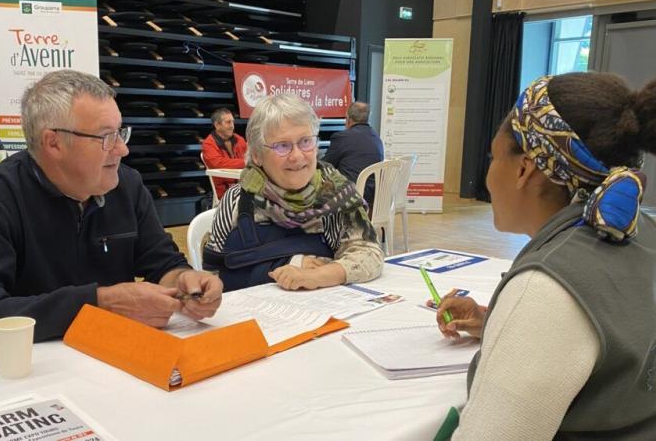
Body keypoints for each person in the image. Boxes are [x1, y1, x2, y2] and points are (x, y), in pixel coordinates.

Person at [433, 73, 656, 439]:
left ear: (524, 169)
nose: (488, 174)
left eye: (494, 156)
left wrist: (524, 318)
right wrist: (492, 322)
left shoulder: (546, 287)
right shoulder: (641, 232)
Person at [0, 70, 222, 347]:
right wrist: (99, 304)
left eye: (120, 133)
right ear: (54, 143)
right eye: (106, 137)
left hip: (120, 360)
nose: (122, 149)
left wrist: (185, 281)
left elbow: (162, 263)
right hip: (33, 371)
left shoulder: (127, 186)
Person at [203, 93, 383, 292]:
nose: (297, 156)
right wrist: (292, 263)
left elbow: (369, 253)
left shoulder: (335, 195)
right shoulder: (238, 200)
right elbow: (214, 271)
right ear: (257, 155)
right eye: (282, 146)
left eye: (306, 141)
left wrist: (316, 276)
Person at [322, 102, 383, 206]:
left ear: (348, 118)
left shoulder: (342, 137)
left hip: (350, 198)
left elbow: (325, 165)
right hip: (374, 199)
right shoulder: (377, 138)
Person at [201, 108, 248, 199]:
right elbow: (218, 163)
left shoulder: (239, 139)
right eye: (228, 122)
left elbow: (250, 157)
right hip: (224, 192)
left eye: (233, 122)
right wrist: (245, 162)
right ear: (217, 125)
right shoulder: (208, 144)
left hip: (244, 187)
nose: (232, 126)